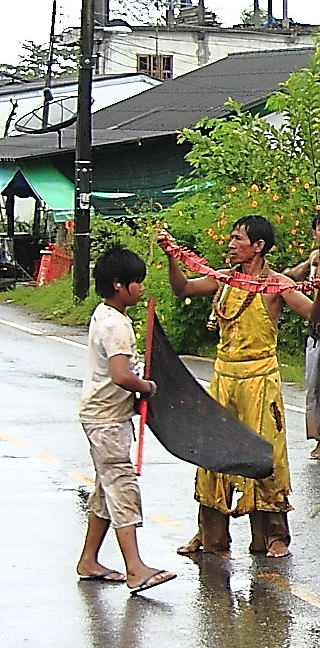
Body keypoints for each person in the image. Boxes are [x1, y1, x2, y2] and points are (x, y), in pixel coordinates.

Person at [163, 215, 315, 559]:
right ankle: (209, 533)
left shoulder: (277, 285)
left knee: (265, 456)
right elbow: (183, 288)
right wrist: (173, 256)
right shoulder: (224, 280)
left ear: (258, 246)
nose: (230, 245)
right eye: (231, 238)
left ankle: (274, 536)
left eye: (238, 239)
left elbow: (315, 315)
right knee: (213, 455)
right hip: (223, 379)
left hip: (260, 380)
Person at [75, 246, 175, 594]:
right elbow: (121, 375)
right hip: (107, 421)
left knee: (106, 490)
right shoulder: (117, 327)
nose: (142, 288)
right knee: (121, 488)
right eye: (137, 282)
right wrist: (146, 385)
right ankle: (136, 568)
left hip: (101, 414)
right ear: (119, 285)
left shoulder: (104, 314)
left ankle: (89, 560)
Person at [282, 211, 320, 459]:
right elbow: (297, 273)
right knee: (315, 389)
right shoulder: (315, 258)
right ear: (314, 233)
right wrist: (279, 276)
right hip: (314, 332)